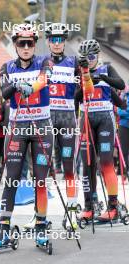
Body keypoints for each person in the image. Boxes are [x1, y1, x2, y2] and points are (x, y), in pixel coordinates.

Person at [0, 24, 53, 248]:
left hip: (41, 127)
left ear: (35, 44)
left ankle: (41, 225)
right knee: (12, 179)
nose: (26, 47)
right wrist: (17, 84)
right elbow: (5, 92)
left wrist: (31, 86)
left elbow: (45, 80)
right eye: (21, 43)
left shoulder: (44, 62)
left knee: (41, 180)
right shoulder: (7, 66)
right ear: (15, 45)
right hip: (17, 127)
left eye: (30, 43)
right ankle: (4, 227)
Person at [76, 39, 125, 221]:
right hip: (86, 119)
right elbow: (76, 97)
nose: (89, 60)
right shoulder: (80, 71)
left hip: (105, 118)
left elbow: (120, 84)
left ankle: (113, 206)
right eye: (85, 57)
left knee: (105, 162)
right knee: (87, 164)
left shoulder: (106, 69)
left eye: (91, 56)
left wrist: (102, 79)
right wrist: (86, 79)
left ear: (98, 56)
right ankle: (90, 205)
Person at [45, 23, 80, 229]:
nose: (57, 43)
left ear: (64, 41)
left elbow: (86, 86)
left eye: (60, 39)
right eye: (53, 39)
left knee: (69, 167)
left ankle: (72, 211)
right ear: (48, 41)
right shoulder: (41, 61)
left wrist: (85, 72)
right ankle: (39, 215)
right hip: (46, 118)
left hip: (67, 119)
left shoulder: (73, 62)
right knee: (42, 169)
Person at [118, 85, 129, 184]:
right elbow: (119, 111)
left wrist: (126, 111)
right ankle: (124, 175)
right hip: (124, 126)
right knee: (123, 152)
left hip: (124, 122)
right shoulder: (123, 95)